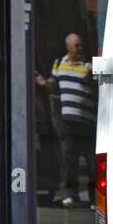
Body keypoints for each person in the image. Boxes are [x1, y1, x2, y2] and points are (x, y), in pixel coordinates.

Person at [46, 32, 97, 206]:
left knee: (92, 163)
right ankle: (70, 194)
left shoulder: (89, 66)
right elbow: (52, 85)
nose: (80, 48)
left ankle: (93, 198)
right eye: (77, 45)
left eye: (81, 45)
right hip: (68, 122)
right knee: (69, 160)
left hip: (87, 122)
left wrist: (91, 81)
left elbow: (98, 90)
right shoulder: (59, 64)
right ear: (68, 47)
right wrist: (43, 83)